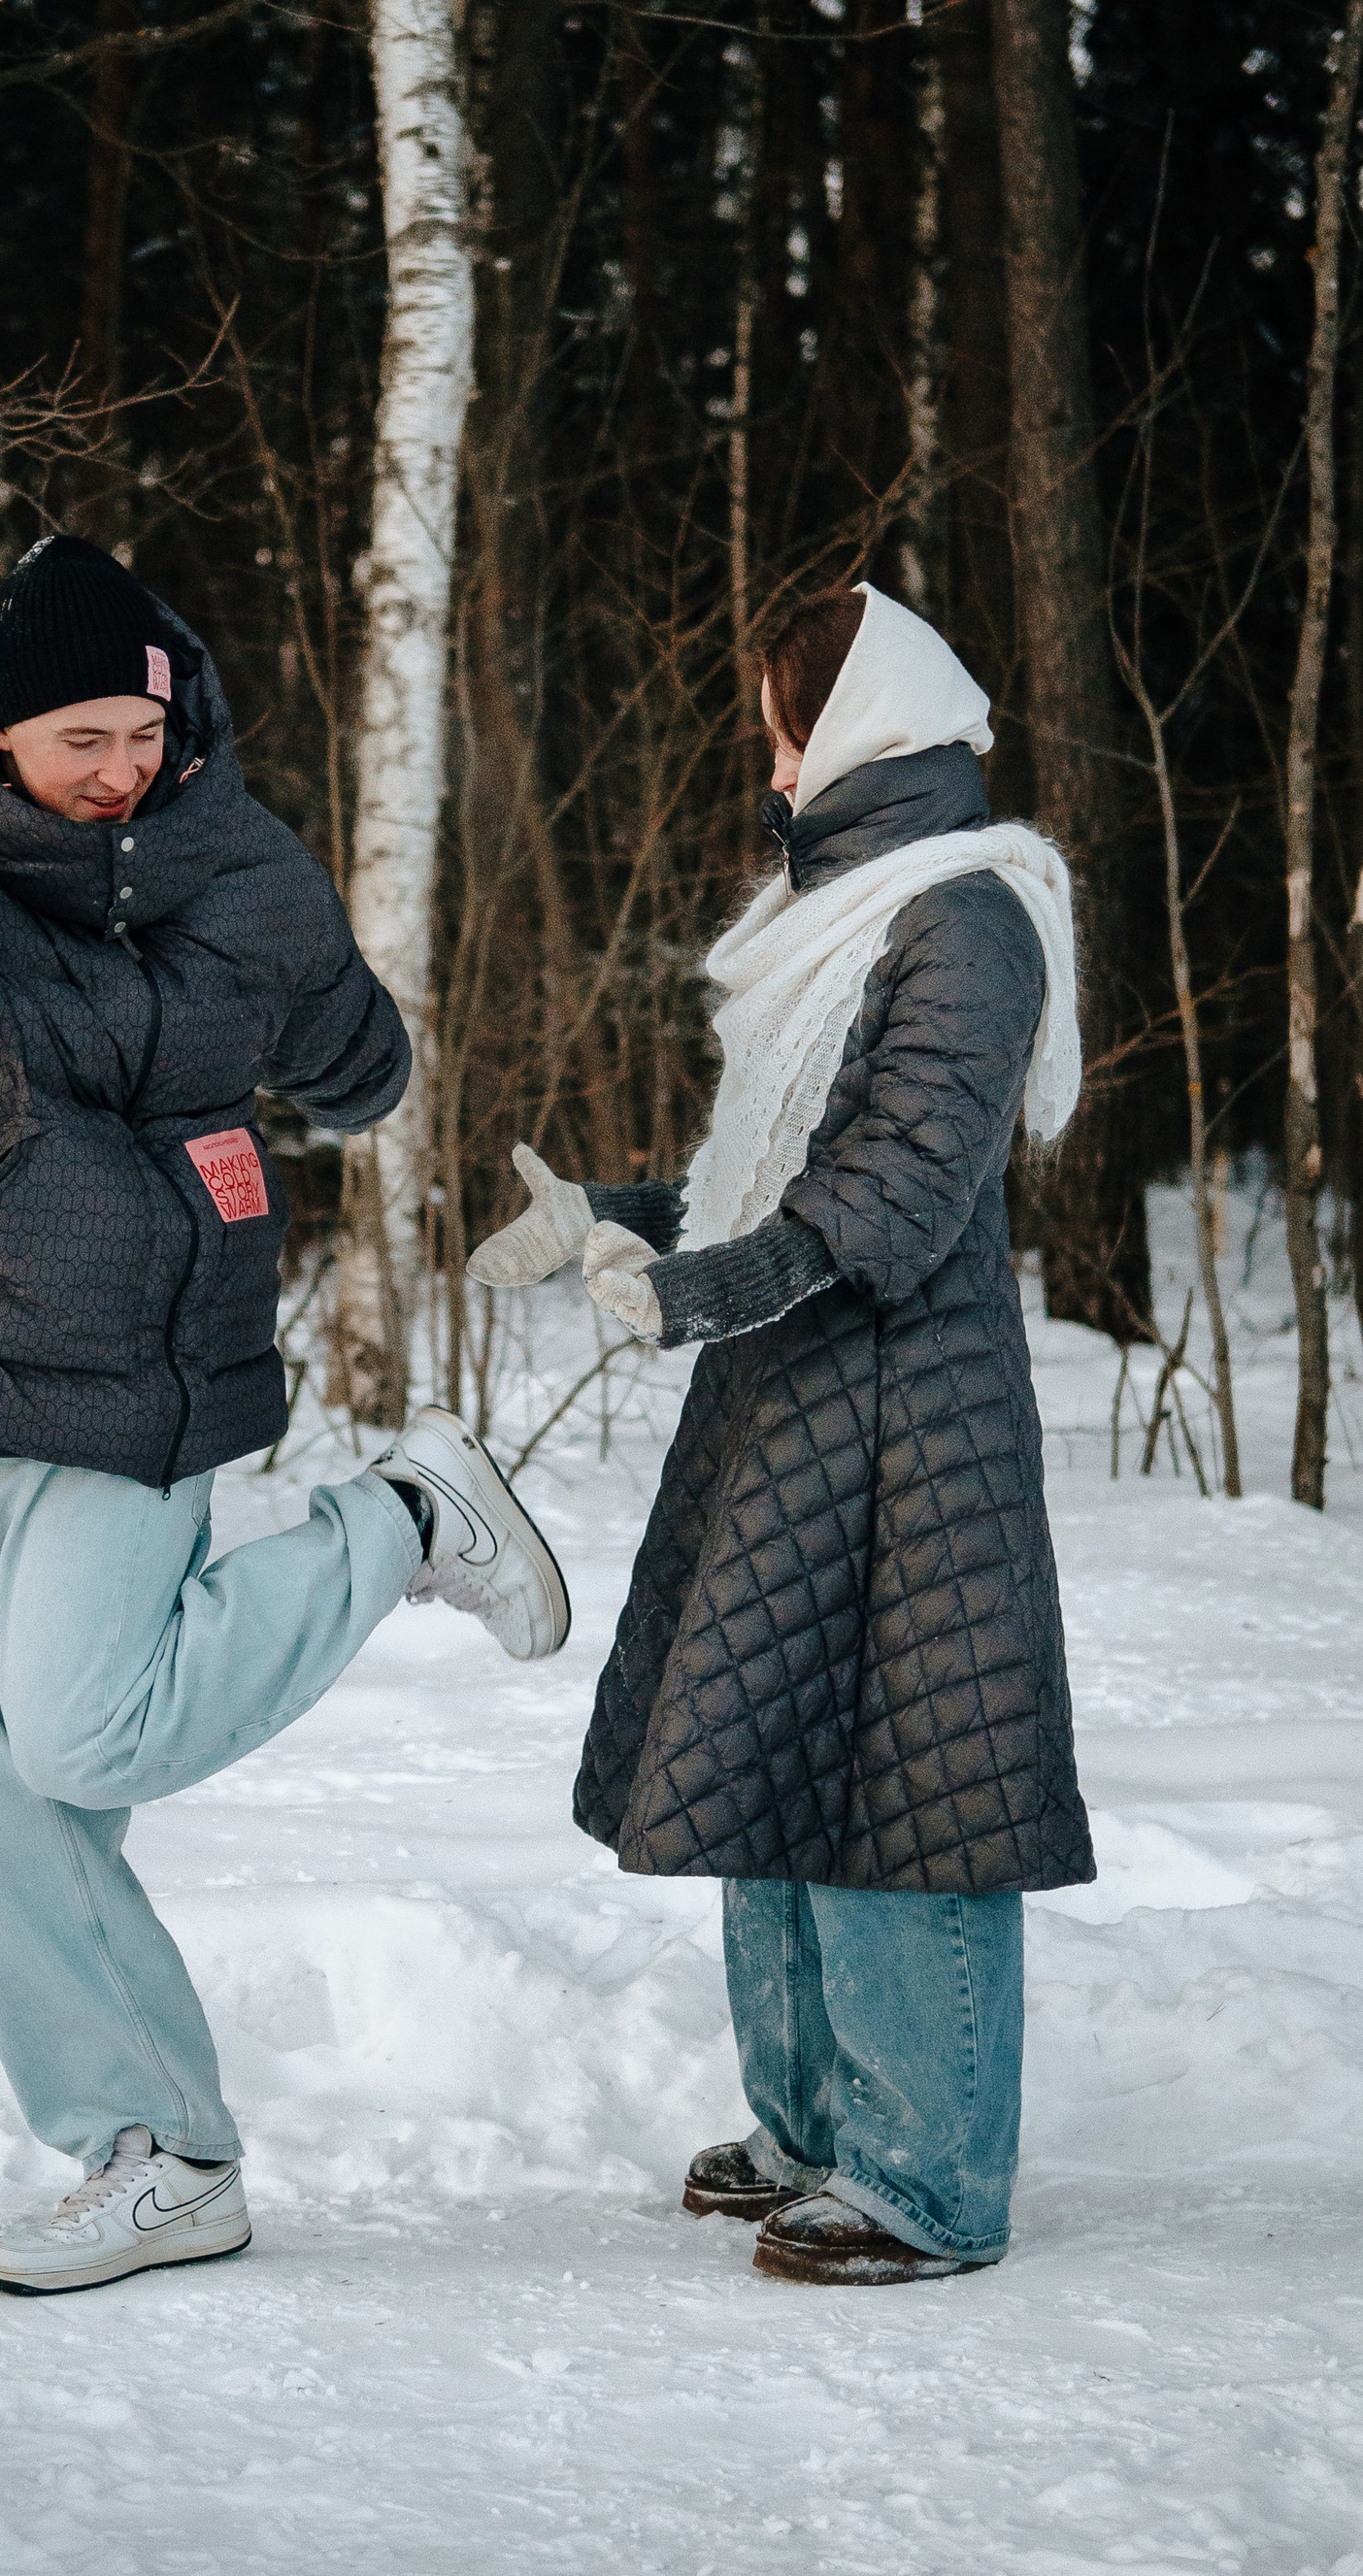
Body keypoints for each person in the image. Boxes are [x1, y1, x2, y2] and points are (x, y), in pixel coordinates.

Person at [0, 534, 567, 2297]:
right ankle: (155, 2150)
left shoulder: (229, 850)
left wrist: (295, 939)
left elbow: (364, 1073)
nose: (118, 768)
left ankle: (410, 1521)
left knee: (87, 1738)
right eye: (77, 744)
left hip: (126, 1373)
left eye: (135, 734)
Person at [467, 581, 1094, 2286]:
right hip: (792, 1404)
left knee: (909, 1793)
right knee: (770, 1769)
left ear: (847, 729)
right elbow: (770, 1175)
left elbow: (889, 1193)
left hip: (911, 1420)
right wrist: (610, 1216)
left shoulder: (964, 919)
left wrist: (690, 1294)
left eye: (781, 715)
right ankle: (815, 2124)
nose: (770, 746)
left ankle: (930, 2176)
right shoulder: (836, 912)